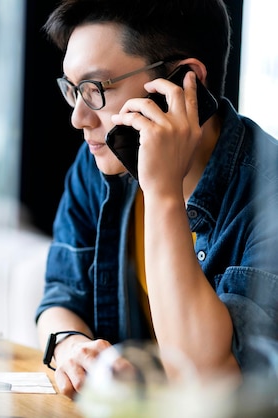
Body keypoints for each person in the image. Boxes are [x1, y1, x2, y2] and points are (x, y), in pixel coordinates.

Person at [35, 0, 278, 398]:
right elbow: (62, 295)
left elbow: (211, 384)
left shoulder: (269, 198)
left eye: (97, 89)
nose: (78, 117)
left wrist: (162, 192)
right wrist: (70, 346)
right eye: (72, 89)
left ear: (187, 83)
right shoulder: (97, 164)